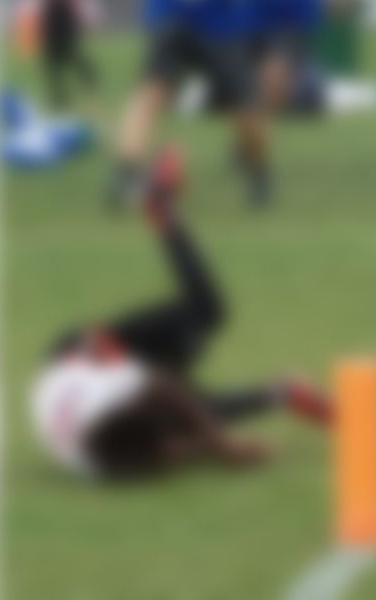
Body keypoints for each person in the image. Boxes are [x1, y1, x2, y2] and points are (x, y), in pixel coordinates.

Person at [31, 148, 333, 481]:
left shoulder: (116, 420)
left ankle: (160, 209)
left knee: (206, 313)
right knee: (197, 407)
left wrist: (224, 449)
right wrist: (212, 447)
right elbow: (171, 449)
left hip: (84, 353)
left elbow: (164, 390)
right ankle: (282, 393)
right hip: (92, 392)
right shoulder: (105, 463)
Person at [92, 0, 272, 210]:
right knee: (150, 93)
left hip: (220, 29)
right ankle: (126, 172)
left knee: (246, 110)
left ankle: (258, 173)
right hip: (170, 25)